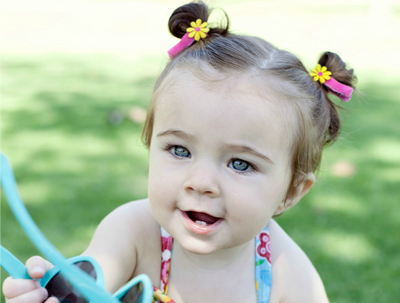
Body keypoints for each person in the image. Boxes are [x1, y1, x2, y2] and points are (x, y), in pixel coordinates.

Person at [2, 1, 357, 302]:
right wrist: (57, 291)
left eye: (240, 163)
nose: (201, 183)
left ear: (291, 192)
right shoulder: (133, 233)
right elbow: (89, 284)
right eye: (179, 150)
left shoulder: (288, 275)